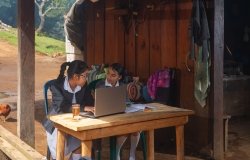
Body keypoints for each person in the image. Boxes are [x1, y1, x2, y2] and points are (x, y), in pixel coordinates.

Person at [42, 60, 95, 160]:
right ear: (75, 76)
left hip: (77, 123)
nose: (86, 78)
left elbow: (89, 102)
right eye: (85, 75)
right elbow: (62, 106)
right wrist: (83, 108)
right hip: (56, 125)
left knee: (83, 138)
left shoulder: (84, 86)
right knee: (60, 150)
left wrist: (93, 106)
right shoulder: (56, 86)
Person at [95, 63, 140, 160]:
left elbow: (127, 102)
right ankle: (117, 154)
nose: (109, 77)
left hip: (121, 115)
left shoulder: (123, 86)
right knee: (123, 130)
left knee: (136, 128)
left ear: (119, 77)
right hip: (105, 118)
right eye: (108, 74)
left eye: (113, 75)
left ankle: (132, 155)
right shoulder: (100, 85)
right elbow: (99, 104)